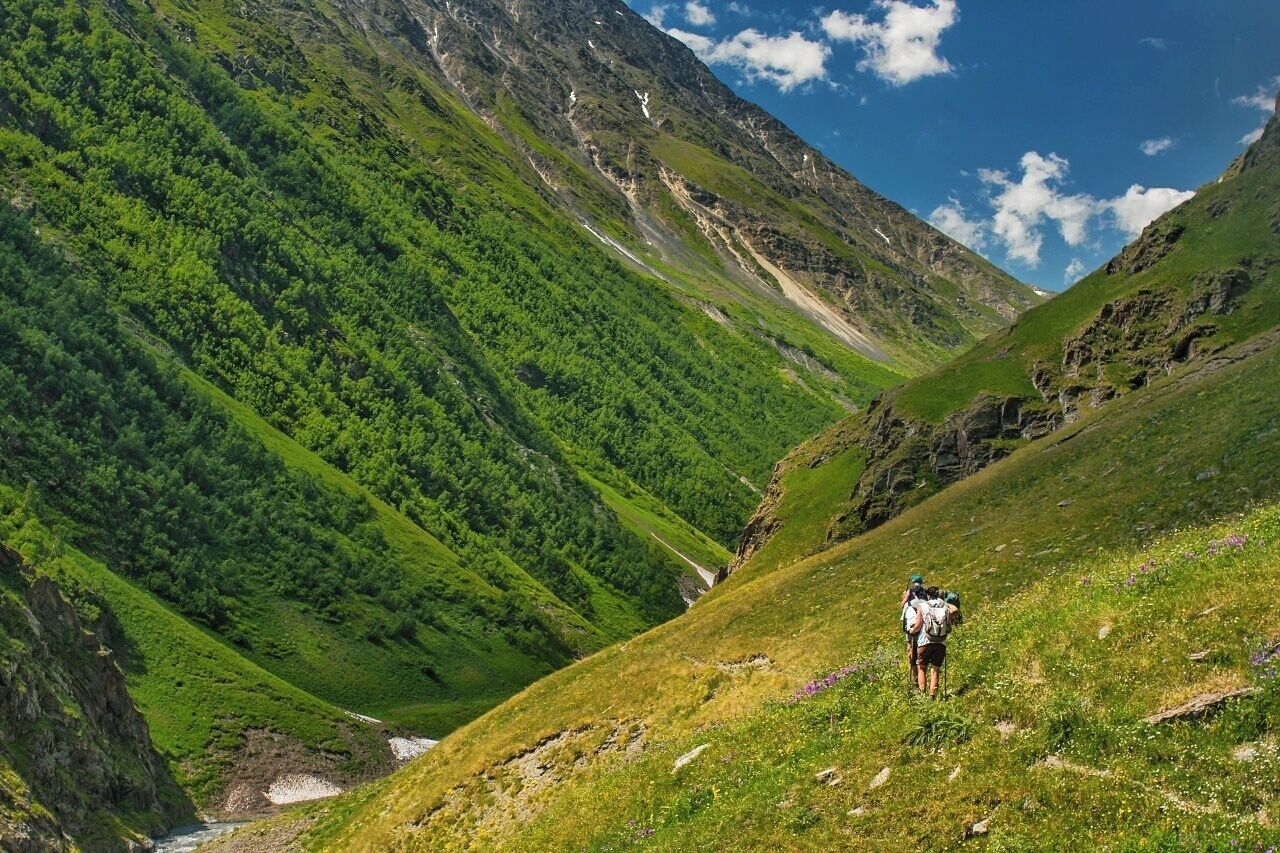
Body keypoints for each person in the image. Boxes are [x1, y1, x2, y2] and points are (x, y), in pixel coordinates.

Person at [915, 586, 960, 699]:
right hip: (941, 642)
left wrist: (912, 630)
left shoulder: (922, 606)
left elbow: (918, 625)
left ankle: (922, 694)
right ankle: (932, 697)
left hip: (925, 641)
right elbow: (953, 616)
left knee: (921, 667)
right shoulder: (945, 607)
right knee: (935, 670)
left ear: (927, 595)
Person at [900, 583, 928, 682]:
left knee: (912, 657)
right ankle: (924, 681)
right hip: (925, 636)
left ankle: (915, 680)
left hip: (911, 635)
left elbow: (903, 620)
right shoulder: (926, 603)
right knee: (923, 661)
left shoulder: (908, 604)